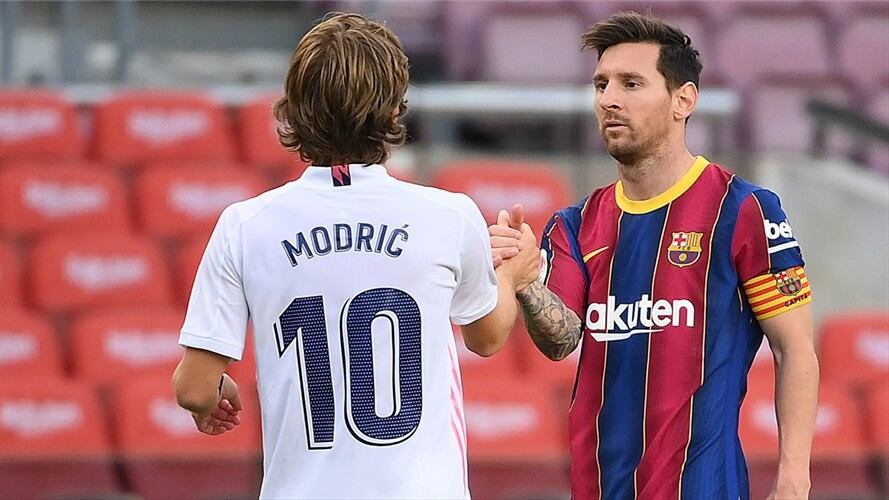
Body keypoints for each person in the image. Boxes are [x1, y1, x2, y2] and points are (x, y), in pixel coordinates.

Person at [171, 13, 538, 499]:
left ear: (294, 111)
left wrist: (212, 398)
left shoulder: (246, 224)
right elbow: (487, 336)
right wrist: (512, 275)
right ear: (392, 113)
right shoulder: (449, 214)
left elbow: (193, 389)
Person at [491, 12, 819, 500]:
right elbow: (561, 341)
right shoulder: (574, 225)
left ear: (683, 100)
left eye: (631, 83)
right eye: (601, 85)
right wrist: (524, 283)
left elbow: (794, 350)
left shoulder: (744, 209)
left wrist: (794, 480)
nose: (609, 100)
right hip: (600, 487)